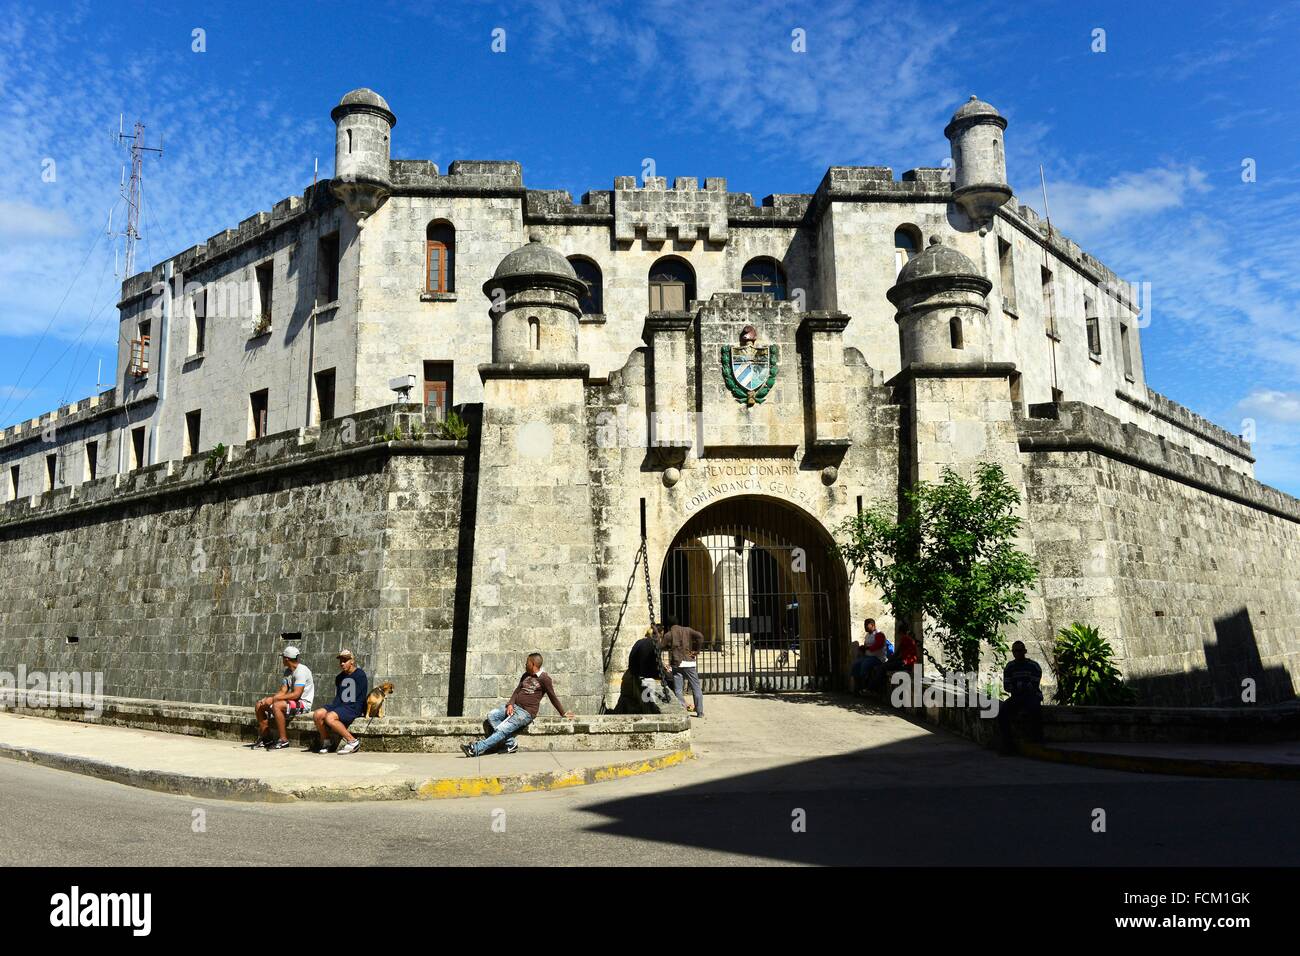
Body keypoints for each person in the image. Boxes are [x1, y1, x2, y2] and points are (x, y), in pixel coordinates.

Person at [462, 653, 574, 757]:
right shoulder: (526, 675)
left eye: (527, 662)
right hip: (514, 707)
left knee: (502, 729)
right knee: (492, 715)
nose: (525, 664)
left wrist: (563, 713)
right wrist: (510, 704)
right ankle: (511, 744)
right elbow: (517, 691)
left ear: (533, 664)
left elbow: (552, 696)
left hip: (526, 713)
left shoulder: (544, 678)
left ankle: (476, 749)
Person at [253, 645, 315, 750]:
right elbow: (283, 691)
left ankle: (283, 740)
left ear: (286, 659)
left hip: (303, 704)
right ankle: (266, 738)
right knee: (260, 705)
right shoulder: (288, 672)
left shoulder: (301, 671)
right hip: (291, 702)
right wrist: (269, 699)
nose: (282, 660)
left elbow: (296, 694)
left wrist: (274, 700)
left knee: (277, 706)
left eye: (283, 658)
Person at [311, 649, 369, 754]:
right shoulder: (339, 677)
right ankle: (327, 741)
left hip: (353, 706)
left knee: (329, 717)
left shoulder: (360, 675)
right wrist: (335, 708)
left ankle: (352, 741)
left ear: (352, 661)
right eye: (341, 661)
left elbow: (360, 697)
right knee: (317, 714)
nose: (342, 663)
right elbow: (339, 697)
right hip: (339, 705)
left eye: (345, 660)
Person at [997, 640, 1043, 752]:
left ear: (1025, 651)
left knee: (1035, 710)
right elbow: (1007, 686)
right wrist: (1021, 687)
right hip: (1017, 697)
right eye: (1015, 651)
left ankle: (1036, 739)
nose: (1017, 653)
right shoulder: (1009, 667)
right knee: (1002, 712)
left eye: (1019, 650)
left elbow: (1033, 685)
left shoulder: (1034, 666)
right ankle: (1008, 743)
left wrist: (1018, 687)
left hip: (1031, 696)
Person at [664, 614, 705, 718]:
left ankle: (682, 709)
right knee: (696, 687)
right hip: (689, 662)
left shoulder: (669, 634)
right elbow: (700, 636)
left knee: (678, 689)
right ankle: (700, 712)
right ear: (677, 622)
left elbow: (660, 646)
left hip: (677, 663)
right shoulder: (688, 630)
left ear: (668, 625)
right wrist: (697, 651)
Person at [628, 625, 670, 712]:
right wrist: (664, 670)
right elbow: (654, 663)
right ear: (659, 634)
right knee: (670, 678)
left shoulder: (640, 642)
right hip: (644, 672)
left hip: (635, 671)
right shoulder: (654, 644)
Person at [851, 619, 889, 693]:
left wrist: (867, 648)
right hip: (868, 657)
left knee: (865, 665)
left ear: (872, 625)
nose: (865, 627)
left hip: (878, 658)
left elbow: (878, 646)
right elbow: (866, 647)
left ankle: (865, 687)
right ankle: (857, 687)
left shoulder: (879, 634)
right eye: (864, 625)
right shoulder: (867, 635)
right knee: (856, 664)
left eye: (866, 625)